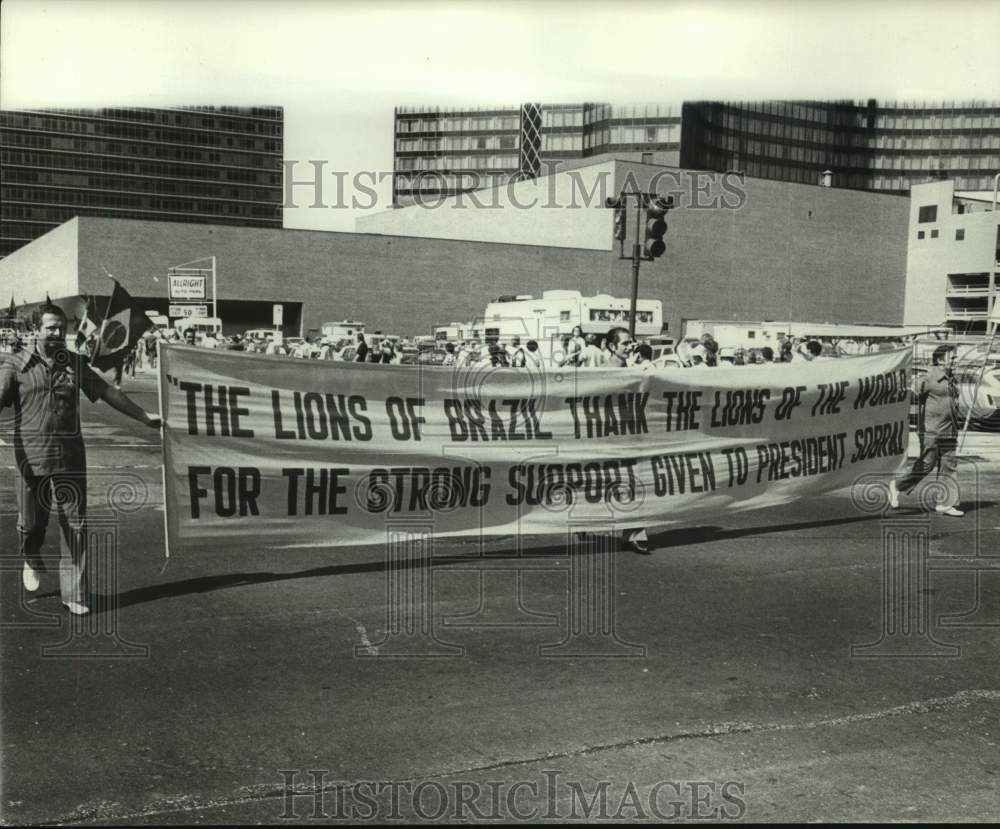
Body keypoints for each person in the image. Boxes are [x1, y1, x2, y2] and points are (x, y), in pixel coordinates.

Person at [0, 303, 161, 615]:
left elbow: (107, 392)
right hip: (31, 458)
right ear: (37, 329)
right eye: (51, 328)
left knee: (75, 524)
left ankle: (74, 593)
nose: (58, 333)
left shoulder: (74, 363)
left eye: (62, 327)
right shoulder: (14, 364)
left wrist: (143, 416)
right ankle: (31, 554)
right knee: (29, 524)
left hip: (70, 458)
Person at [890, 345, 963, 516]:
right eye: (951, 358)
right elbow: (909, 394)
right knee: (926, 465)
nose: (954, 361)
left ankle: (945, 503)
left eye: (955, 358)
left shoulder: (952, 379)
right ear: (939, 360)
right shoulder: (928, 378)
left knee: (949, 466)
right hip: (932, 430)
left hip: (949, 430)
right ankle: (898, 485)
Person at [604, 327, 648, 552]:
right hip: (605, 438)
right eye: (625, 343)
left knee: (635, 481)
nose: (631, 346)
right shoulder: (599, 372)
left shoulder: (633, 370)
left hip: (629, 436)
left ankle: (633, 534)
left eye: (631, 343)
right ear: (612, 347)